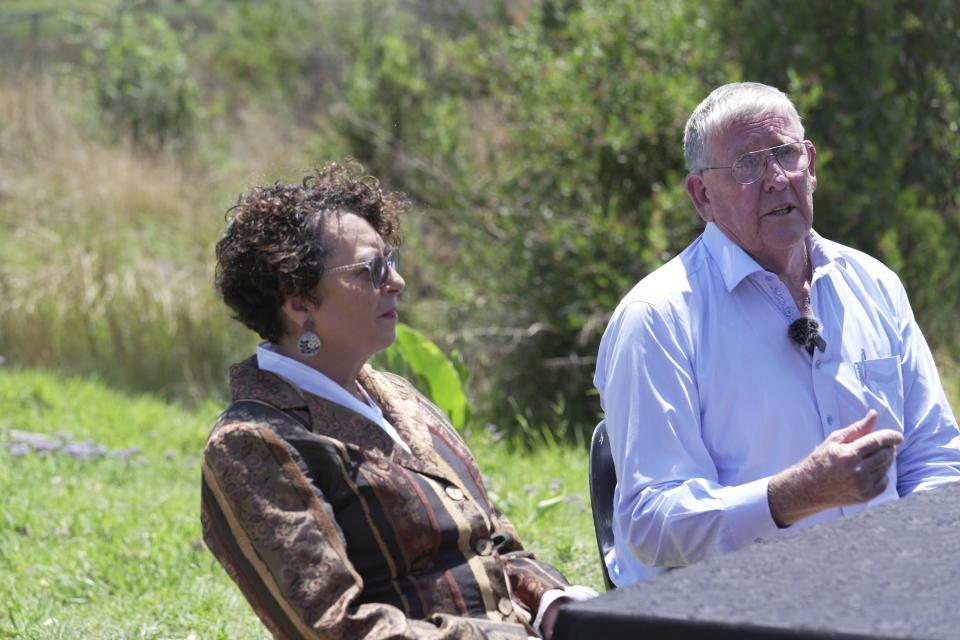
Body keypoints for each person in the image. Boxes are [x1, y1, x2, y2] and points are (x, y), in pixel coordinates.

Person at [201, 162, 594, 639]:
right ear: (299, 301)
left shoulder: (398, 396)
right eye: (371, 269)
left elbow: (491, 540)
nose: (396, 281)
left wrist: (553, 600)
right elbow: (333, 627)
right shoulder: (253, 442)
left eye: (390, 260)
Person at [594, 82, 960, 586]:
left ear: (810, 164)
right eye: (745, 165)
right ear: (701, 195)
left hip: (884, 584)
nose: (775, 179)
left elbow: (935, 458)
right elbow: (651, 522)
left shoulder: (874, 284)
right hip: (733, 604)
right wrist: (794, 495)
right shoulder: (656, 317)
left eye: (786, 154)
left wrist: (914, 559)